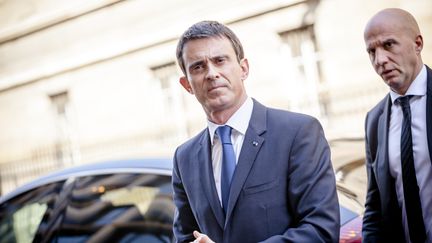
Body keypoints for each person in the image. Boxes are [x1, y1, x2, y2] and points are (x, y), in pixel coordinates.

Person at [171, 20, 339, 243]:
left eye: (220, 60)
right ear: (187, 85)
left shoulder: (297, 132)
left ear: (243, 69)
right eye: (198, 67)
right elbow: (184, 237)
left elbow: (321, 230)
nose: (211, 73)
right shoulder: (184, 158)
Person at [362, 8, 432, 243]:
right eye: (372, 51)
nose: (380, 60)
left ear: (418, 43)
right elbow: (374, 208)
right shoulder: (375, 120)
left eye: (389, 45)